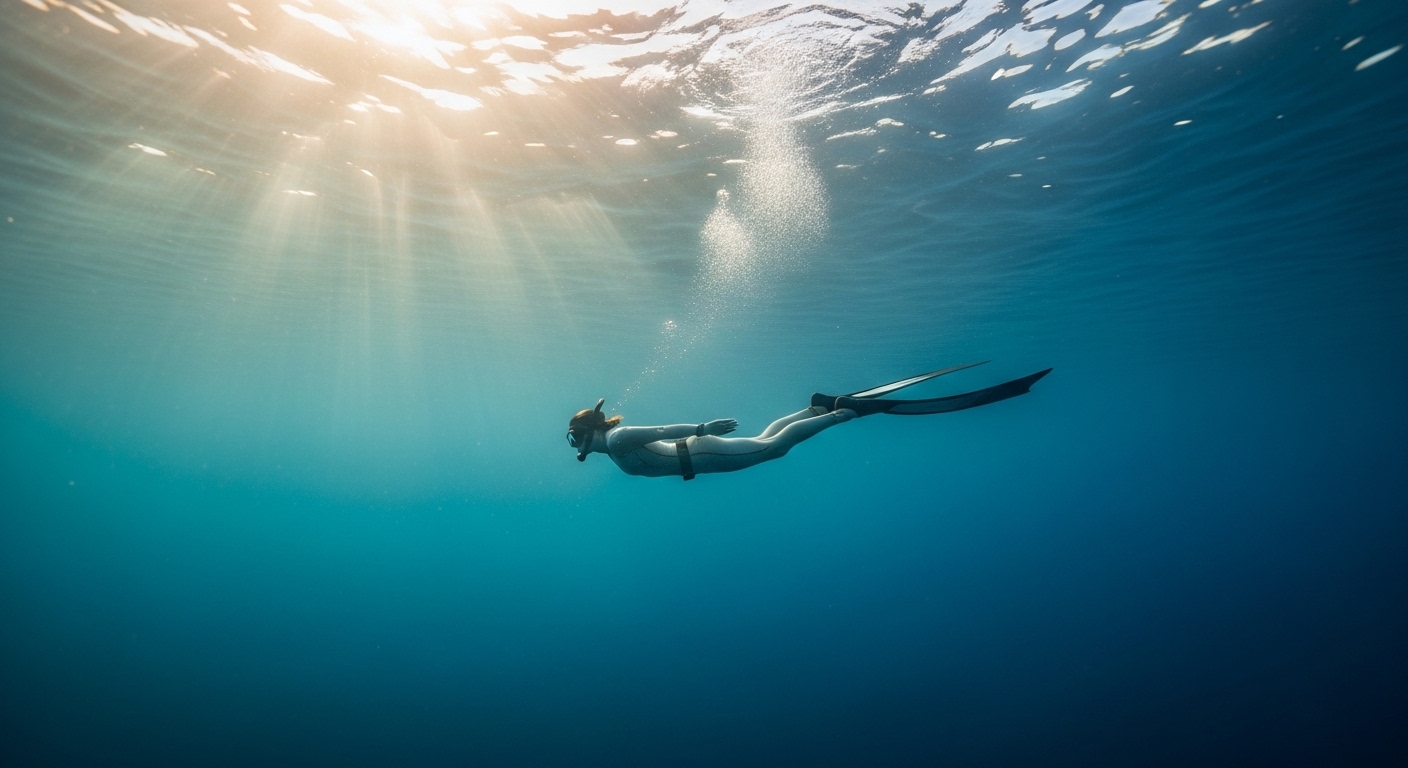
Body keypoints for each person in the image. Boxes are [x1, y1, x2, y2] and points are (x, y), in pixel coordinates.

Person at [567, 363, 1051, 480]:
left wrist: (702, 427)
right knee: (769, 439)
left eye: (577, 435)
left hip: (702, 452)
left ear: (591, 430)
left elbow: (659, 432)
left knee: (775, 447)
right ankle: (818, 405)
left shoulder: (621, 436)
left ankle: (842, 412)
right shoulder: (611, 445)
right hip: (701, 456)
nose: (575, 443)